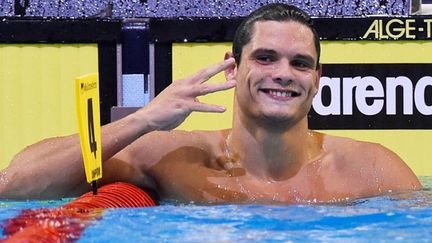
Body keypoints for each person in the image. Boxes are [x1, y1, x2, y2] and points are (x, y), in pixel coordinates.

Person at [0, 3, 421, 204]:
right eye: (265, 57)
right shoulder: (178, 158)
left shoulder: (373, 170)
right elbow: (14, 186)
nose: (283, 73)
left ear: (317, 79)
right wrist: (144, 119)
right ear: (232, 69)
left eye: (300, 63)